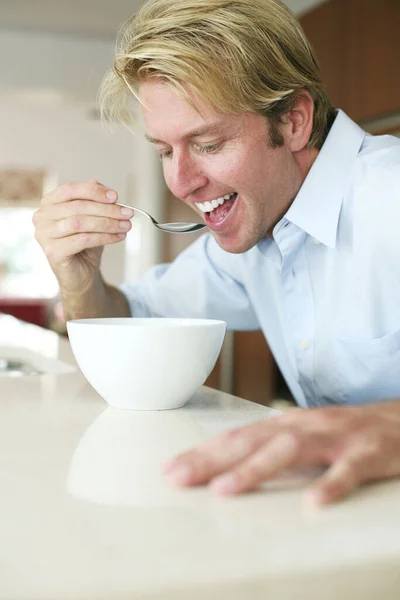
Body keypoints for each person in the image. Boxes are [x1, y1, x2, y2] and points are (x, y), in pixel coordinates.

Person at [33, 0, 400, 506]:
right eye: (164, 151)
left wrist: (388, 426)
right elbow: (131, 321)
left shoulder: (390, 196)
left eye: (207, 143)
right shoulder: (257, 231)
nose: (181, 182)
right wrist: (79, 281)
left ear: (293, 120)